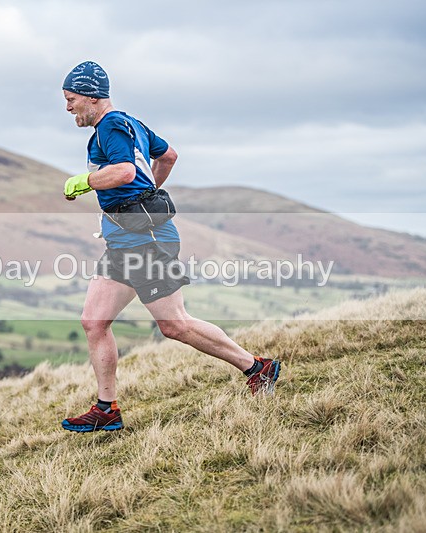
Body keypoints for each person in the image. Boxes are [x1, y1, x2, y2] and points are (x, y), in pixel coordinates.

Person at [60, 61, 280, 433]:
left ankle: (258, 368)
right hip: (124, 240)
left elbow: (126, 171)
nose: (68, 108)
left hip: (145, 239)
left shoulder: (110, 125)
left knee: (174, 325)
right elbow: (169, 156)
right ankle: (106, 409)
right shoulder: (132, 124)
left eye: (71, 99)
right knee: (94, 321)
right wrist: (149, 193)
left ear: (93, 97)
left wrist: (83, 181)